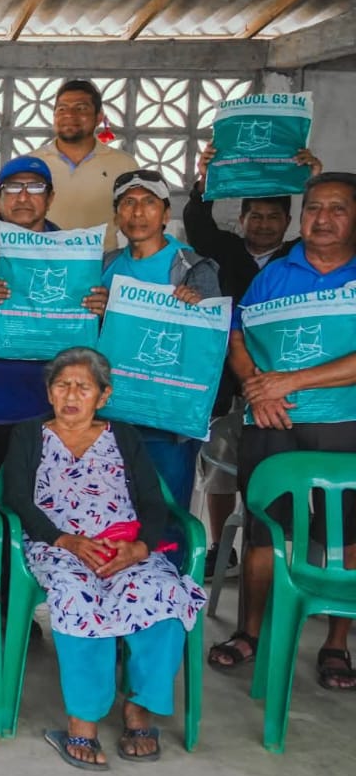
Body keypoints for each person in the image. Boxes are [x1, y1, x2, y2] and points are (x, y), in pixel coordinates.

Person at [4, 347, 206, 769]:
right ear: (49, 392)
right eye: (62, 385)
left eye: (84, 387)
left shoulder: (124, 436)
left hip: (123, 545)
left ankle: (139, 708)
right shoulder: (28, 434)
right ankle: (84, 720)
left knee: (165, 593)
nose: (71, 395)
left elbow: (153, 501)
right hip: (57, 546)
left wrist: (140, 548)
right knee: (75, 597)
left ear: (104, 395)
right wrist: (66, 540)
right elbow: (17, 498)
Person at [210, 171, 356, 689]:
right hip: (270, 421)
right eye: (315, 207)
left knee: (346, 534)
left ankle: (336, 643)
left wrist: (290, 381)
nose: (323, 218)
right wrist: (256, 387)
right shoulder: (275, 274)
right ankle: (249, 631)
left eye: (337, 208)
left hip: (343, 423)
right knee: (264, 530)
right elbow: (237, 335)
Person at [183, 144, 318, 577]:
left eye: (273, 217)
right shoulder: (223, 250)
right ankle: (222, 548)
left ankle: (283, 549)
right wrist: (206, 178)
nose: (263, 224)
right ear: (241, 220)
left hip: (286, 381)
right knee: (219, 462)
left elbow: (336, 227)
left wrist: (314, 181)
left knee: (284, 465)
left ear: (289, 221)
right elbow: (196, 220)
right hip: (225, 380)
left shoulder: (300, 255)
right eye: (255, 216)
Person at [0, 156, 107, 497]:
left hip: (42, 403)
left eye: (35, 187)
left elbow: (90, 335)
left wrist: (101, 309)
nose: (23, 196)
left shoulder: (75, 253)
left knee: (32, 503)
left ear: (50, 197)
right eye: (13, 187)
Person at [100, 169, 222, 512]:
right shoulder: (106, 264)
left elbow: (210, 347)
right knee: (111, 510)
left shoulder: (192, 268)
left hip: (166, 420)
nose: (138, 212)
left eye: (149, 202)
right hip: (111, 413)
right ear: (117, 216)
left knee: (167, 513)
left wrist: (197, 312)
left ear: (166, 214)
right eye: (128, 203)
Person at [29, 80, 139, 243]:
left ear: (99, 117)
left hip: (102, 258)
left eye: (80, 108)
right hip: (42, 258)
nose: (69, 114)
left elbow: (137, 219)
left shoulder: (124, 165)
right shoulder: (31, 163)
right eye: (62, 109)